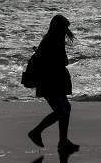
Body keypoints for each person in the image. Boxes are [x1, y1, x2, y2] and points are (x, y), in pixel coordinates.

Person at [28, 14, 79, 153]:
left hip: (52, 81)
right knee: (61, 111)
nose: (66, 31)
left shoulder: (50, 39)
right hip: (49, 82)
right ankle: (36, 132)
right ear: (59, 28)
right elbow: (63, 61)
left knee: (65, 108)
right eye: (64, 28)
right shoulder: (53, 40)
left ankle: (63, 141)